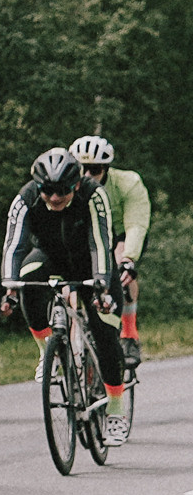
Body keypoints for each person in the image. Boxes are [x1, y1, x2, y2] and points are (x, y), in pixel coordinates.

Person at [0, 148, 126, 443]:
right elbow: (14, 245)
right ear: (38, 186)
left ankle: (116, 410)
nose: (54, 198)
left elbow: (100, 241)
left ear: (76, 185)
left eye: (62, 191)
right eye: (48, 191)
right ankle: (47, 351)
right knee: (27, 279)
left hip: (91, 261)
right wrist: (8, 288)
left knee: (105, 332)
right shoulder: (26, 197)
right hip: (51, 257)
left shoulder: (93, 194)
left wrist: (102, 285)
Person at [71, 136, 150, 369]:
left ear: (105, 168)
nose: (86, 176)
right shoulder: (69, 186)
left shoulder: (128, 183)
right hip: (87, 237)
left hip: (119, 235)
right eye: (80, 169)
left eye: (93, 170)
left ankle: (129, 334)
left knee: (119, 264)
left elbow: (136, 224)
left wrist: (129, 259)